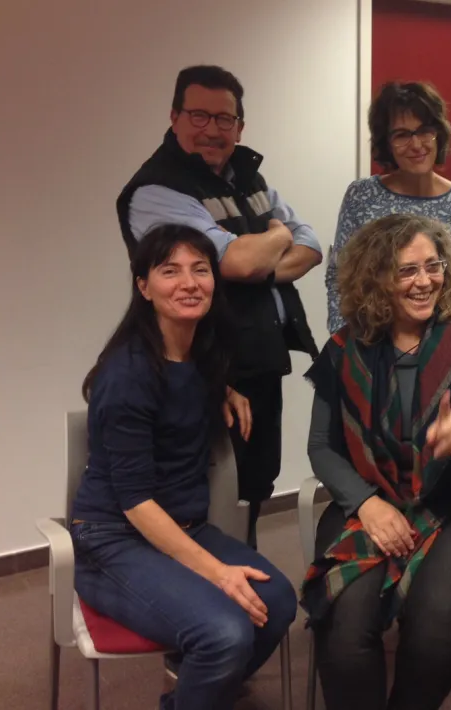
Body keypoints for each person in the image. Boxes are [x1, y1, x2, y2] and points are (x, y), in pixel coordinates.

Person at [70, 224, 298, 710]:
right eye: (170, 271)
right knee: (224, 633)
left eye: (200, 269)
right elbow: (135, 501)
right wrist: (218, 573)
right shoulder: (128, 374)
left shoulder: (202, 353)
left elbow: (184, 391)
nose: (189, 283)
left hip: (184, 527)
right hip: (113, 540)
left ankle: (190, 694)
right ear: (144, 287)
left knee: (277, 602)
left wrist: (225, 391)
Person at [302, 214, 451, 710]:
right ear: (376, 277)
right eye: (407, 270)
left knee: (437, 624)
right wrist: (367, 505)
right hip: (370, 495)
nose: (425, 281)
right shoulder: (345, 349)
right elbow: (321, 448)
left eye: (433, 266)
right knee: (344, 624)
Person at [116, 65, 322, 546]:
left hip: (260, 359)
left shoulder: (247, 176)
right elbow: (236, 261)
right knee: (205, 491)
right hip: (200, 365)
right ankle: (207, 579)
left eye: (224, 118)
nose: (212, 129)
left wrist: (258, 259)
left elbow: (311, 246)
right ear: (174, 117)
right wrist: (276, 235)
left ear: (240, 127)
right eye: (199, 115)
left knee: (255, 483)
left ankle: (244, 570)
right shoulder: (156, 190)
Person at [325, 81, 451, 333]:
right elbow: (340, 276)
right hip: (373, 342)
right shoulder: (362, 197)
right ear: (386, 143)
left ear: (438, 134)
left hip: (445, 347)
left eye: (424, 131)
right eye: (402, 135)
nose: (416, 145)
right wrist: (346, 344)